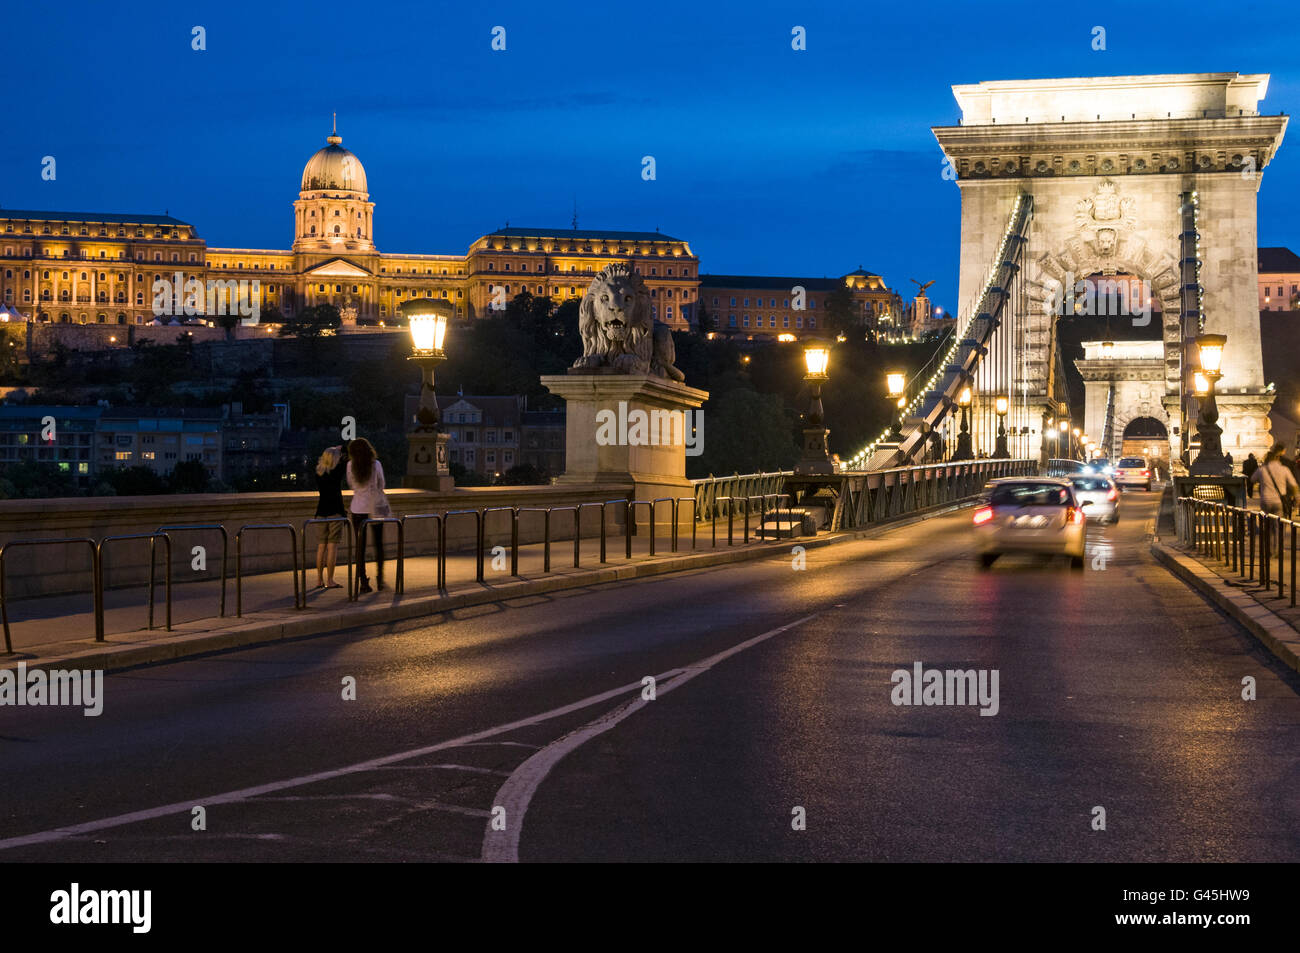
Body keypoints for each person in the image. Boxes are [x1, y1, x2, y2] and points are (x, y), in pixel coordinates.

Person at [347, 437, 390, 592]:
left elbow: (351, 484)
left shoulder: (350, 465)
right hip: (374, 508)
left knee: (360, 548)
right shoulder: (376, 464)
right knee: (378, 545)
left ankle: (363, 582)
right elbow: (382, 484)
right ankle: (380, 579)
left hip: (358, 509)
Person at [313, 445, 347, 589]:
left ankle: (319, 580)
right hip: (335, 511)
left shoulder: (318, 473)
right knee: (332, 547)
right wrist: (340, 448)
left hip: (321, 512)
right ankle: (330, 580)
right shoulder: (337, 471)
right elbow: (347, 455)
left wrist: (333, 450)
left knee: (321, 547)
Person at [1249, 443, 1298, 517]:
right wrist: (1296, 497)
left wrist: (1262, 480)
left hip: (1265, 500)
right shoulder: (1284, 469)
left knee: (1266, 521)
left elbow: (1252, 479)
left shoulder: (1262, 469)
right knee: (1277, 523)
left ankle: (1267, 528)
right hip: (1278, 500)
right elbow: (1294, 485)